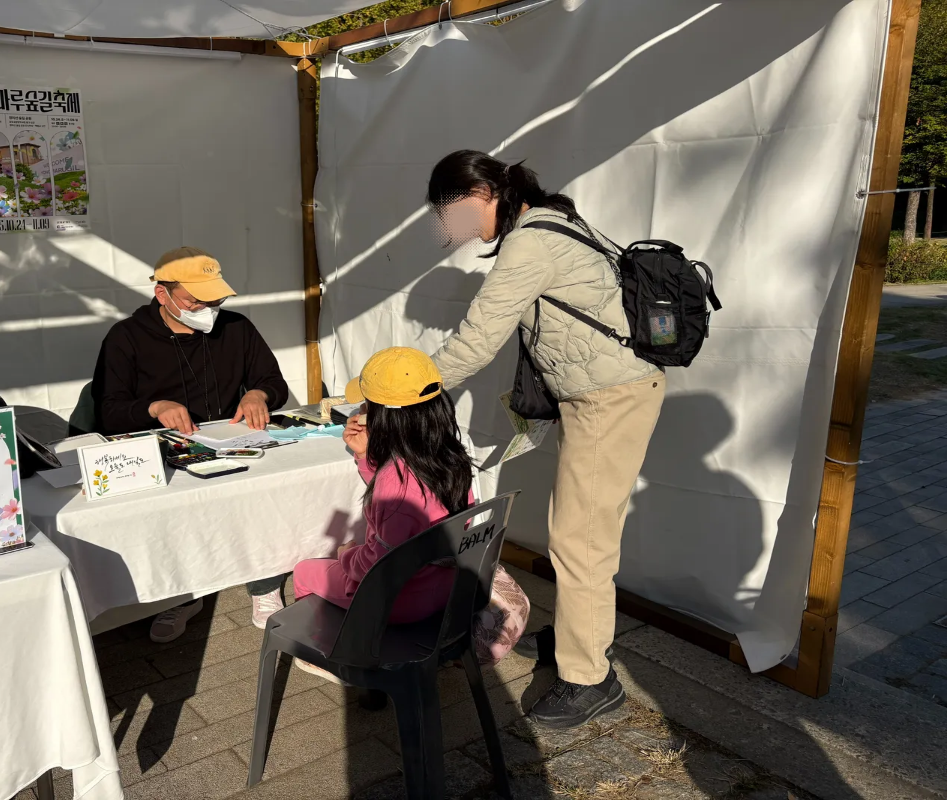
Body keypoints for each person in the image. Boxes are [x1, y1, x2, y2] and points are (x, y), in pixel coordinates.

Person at [425, 150, 665, 729]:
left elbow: (476, 341)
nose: (450, 226)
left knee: (581, 539)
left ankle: (589, 679)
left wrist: (397, 387)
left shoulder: (531, 241)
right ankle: (580, 637)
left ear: (483, 192)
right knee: (581, 527)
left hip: (608, 398)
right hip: (603, 394)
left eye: (450, 211)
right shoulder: (557, 220)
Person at [290, 347, 529, 683]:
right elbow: (412, 505)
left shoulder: (394, 482)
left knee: (304, 571)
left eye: (366, 406)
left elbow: (376, 563)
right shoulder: (450, 456)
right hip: (447, 589)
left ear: (383, 417)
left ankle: (345, 657)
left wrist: (347, 557)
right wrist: (367, 459)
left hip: (401, 602)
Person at [91, 246, 291, 642]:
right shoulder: (125, 337)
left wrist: (258, 396)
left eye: (215, 300)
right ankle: (185, 594)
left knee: (266, 493)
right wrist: (154, 407)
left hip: (233, 441)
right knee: (178, 514)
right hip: (164, 451)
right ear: (162, 295)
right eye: (196, 301)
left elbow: (274, 383)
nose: (208, 309)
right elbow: (108, 411)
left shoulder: (236, 328)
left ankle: (264, 583)